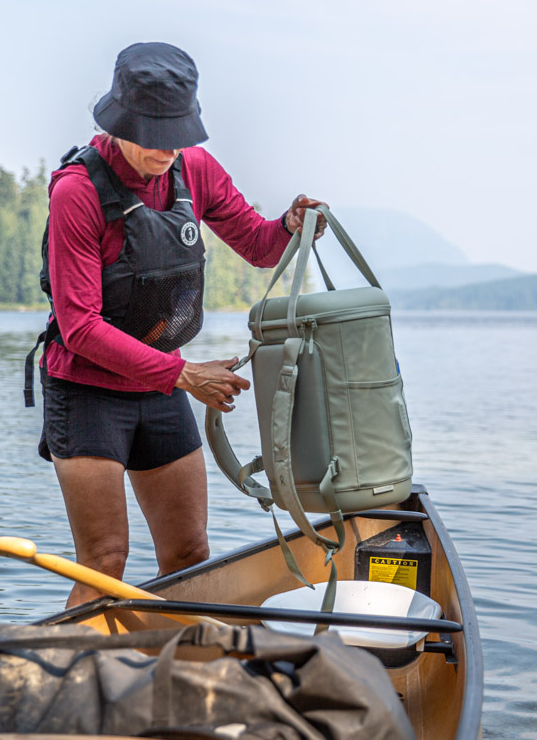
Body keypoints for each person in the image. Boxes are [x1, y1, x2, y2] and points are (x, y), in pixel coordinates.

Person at [37, 42, 327, 607]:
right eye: (153, 132)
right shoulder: (77, 193)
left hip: (161, 384)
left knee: (189, 555)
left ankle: (176, 677)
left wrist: (291, 226)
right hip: (87, 393)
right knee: (105, 563)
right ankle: (72, 685)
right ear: (120, 120)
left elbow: (260, 246)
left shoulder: (194, 169)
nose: (168, 148)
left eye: (178, 131)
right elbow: (79, 328)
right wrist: (185, 375)